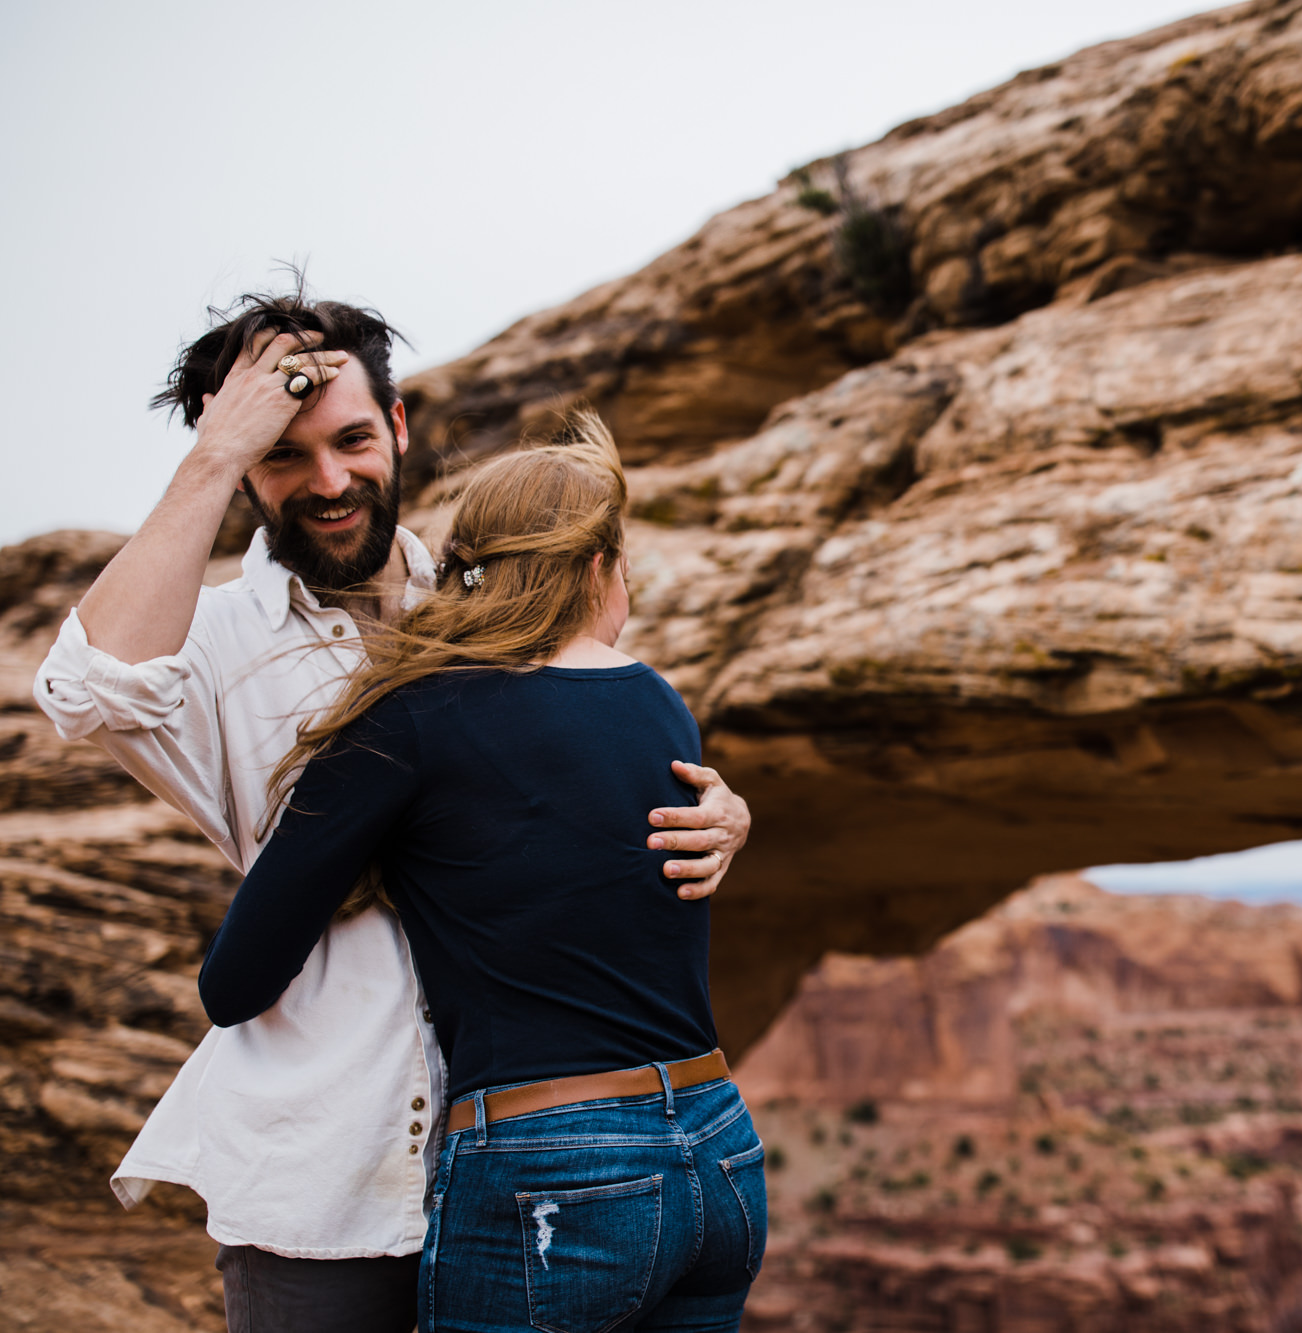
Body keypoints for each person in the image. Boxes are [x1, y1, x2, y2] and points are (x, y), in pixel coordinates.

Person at [34, 289, 752, 1332]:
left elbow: (594, 767)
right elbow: (86, 693)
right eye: (282, 454)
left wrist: (723, 810)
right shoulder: (215, 639)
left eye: (353, 439)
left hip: (540, 1163)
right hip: (328, 1181)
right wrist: (210, 457)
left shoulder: (488, 607)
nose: (329, 482)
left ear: (400, 426)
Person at [200, 412, 764, 1332]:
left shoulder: (412, 716)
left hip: (557, 1176)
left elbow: (234, 984)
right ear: (594, 570)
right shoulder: (661, 704)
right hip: (717, 1148)